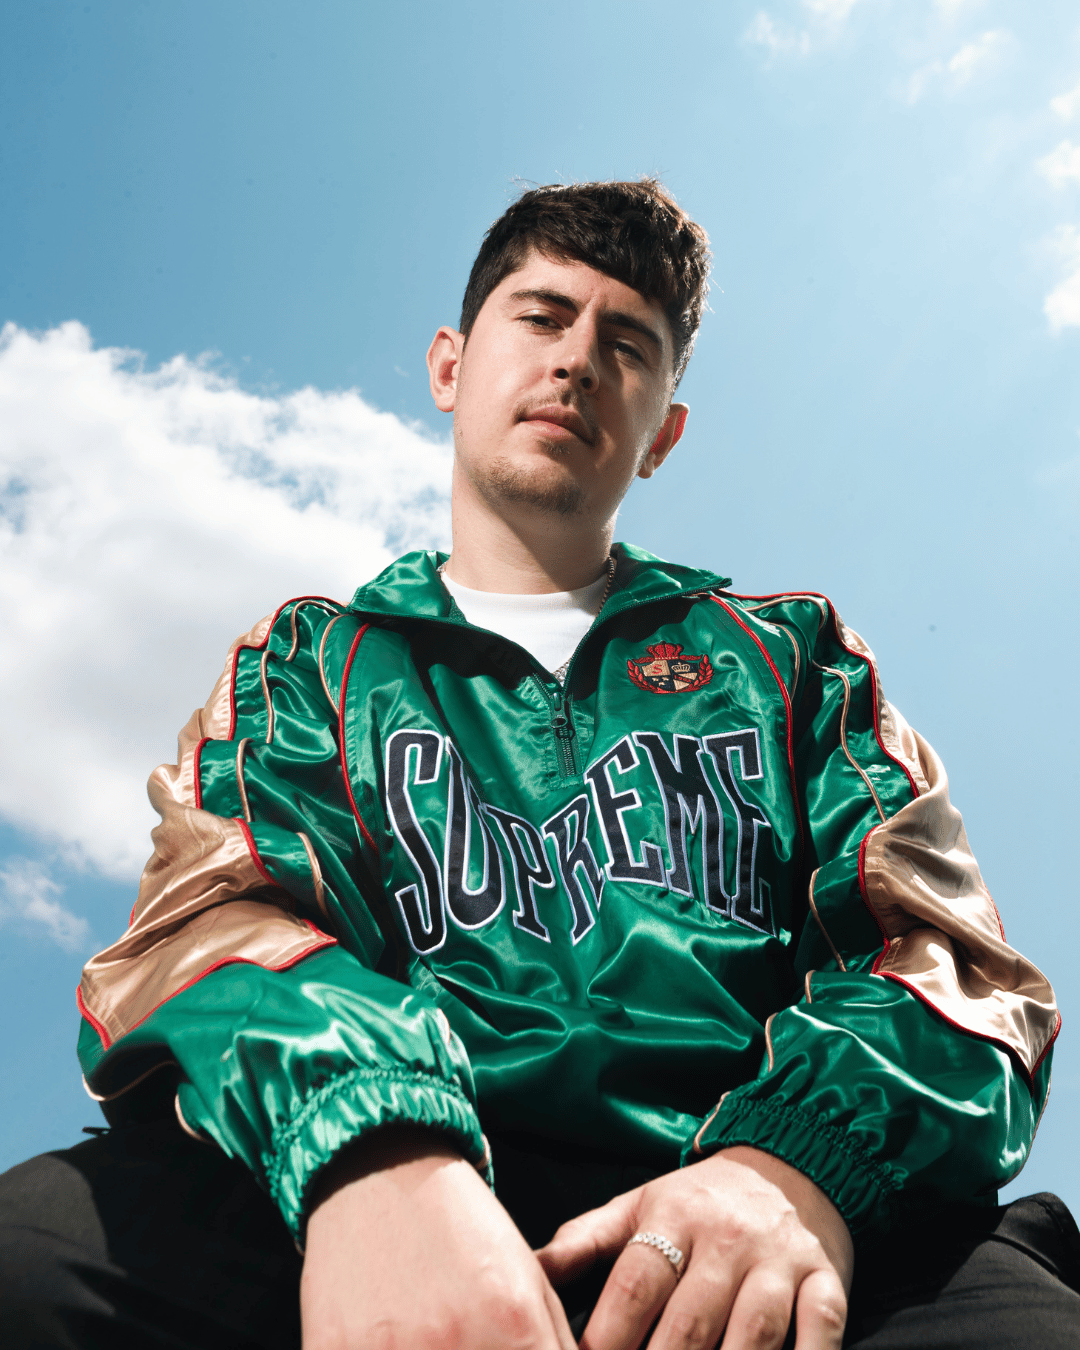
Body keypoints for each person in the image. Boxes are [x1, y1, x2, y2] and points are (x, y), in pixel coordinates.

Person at [1, 179, 1077, 1350]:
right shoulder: (305, 664)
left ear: (663, 434)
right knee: (33, 1261)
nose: (576, 361)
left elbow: (948, 966)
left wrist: (794, 1168)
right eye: (543, 316)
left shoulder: (792, 660)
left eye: (628, 345)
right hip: (393, 1167)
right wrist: (370, 1145)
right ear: (449, 367)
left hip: (745, 1177)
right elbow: (210, 924)